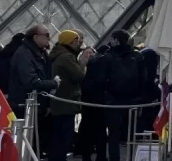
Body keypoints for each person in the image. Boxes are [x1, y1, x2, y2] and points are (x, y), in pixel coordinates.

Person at [102, 30, 147, 161]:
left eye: (111, 39)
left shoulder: (108, 56)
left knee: (113, 134)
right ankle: (132, 158)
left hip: (113, 100)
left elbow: (102, 78)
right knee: (132, 133)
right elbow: (143, 78)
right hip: (133, 100)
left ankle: (114, 159)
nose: (110, 42)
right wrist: (141, 98)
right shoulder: (137, 56)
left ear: (116, 40)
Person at [49, 30, 92, 161]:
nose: (78, 43)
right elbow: (78, 75)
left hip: (60, 100)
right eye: (75, 40)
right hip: (66, 100)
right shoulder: (66, 57)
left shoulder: (59, 54)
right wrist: (83, 63)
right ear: (68, 41)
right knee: (64, 137)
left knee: (59, 135)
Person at [8, 25, 59, 118]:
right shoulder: (24, 54)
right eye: (47, 35)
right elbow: (31, 82)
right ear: (35, 37)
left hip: (35, 106)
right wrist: (54, 83)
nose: (49, 38)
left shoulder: (39, 53)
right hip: (25, 107)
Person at [79, 45, 109, 161]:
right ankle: (87, 155)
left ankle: (100, 155)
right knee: (88, 129)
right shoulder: (81, 68)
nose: (90, 55)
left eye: (91, 53)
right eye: (87, 53)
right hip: (88, 103)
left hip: (97, 102)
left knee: (99, 130)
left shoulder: (99, 66)